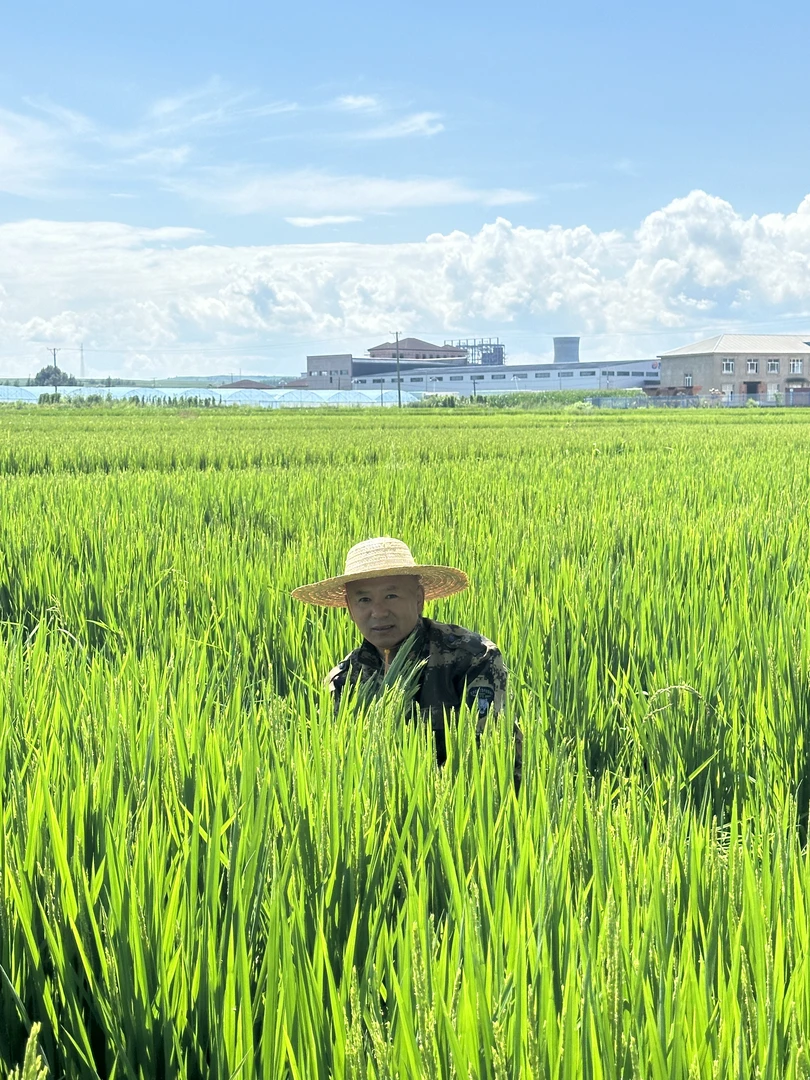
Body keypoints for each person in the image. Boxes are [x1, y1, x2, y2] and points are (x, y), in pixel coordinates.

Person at [292, 537, 521, 789]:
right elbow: (337, 768)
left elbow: (487, 757)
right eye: (364, 600)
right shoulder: (345, 680)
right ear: (349, 607)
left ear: (419, 598)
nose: (378, 612)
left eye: (391, 595)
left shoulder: (470, 657)